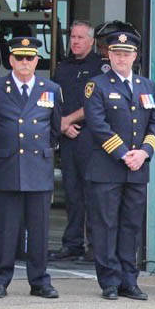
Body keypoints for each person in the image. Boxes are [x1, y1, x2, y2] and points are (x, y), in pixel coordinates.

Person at [0, 36, 62, 299]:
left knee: (39, 230)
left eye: (30, 58)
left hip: (38, 167)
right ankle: (0, 280)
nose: (25, 62)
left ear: (37, 60)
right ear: (11, 60)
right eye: (19, 57)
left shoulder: (51, 89)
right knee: (6, 228)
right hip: (8, 165)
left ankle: (39, 281)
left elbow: (55, 128)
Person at [83, 29, 155, 300]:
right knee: (106, 226)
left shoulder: (146, 86)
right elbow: (97, 124)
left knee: (131, 226)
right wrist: (124, 154)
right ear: (109, 55)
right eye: (116, 53)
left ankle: (130, 280)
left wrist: (144, 153)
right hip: (108, 168)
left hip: (138, 169)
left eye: (126, 54)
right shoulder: (97, 85)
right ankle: (110, 281)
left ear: (135, 56)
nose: (121, 58)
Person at [50, 20, 104, 262]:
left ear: (91, 42)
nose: (75, 41)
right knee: (71, 194)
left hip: (90, 139)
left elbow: (95, 103)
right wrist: (62, 125)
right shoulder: (62, 68)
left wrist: (67, 120)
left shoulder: (99, 67)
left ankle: (94, 247)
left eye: (81, 37)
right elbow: (53, 99)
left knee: (92, 193)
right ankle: (72, 244)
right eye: (72, 37)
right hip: (69, 138)